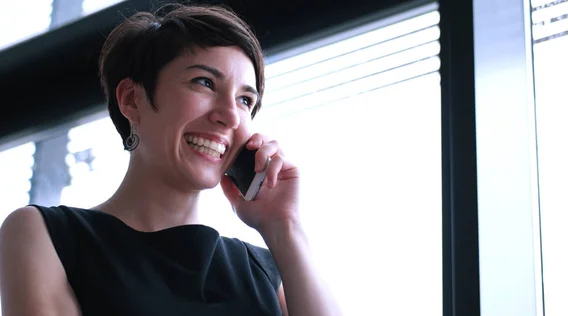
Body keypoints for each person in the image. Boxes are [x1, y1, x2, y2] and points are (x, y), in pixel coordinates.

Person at [0, 3, 341, 316]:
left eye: (244, 100)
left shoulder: (263, 271)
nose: (230, 116)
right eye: (204, 82)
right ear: (132, 100)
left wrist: (284, 225)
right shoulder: (46, 234)